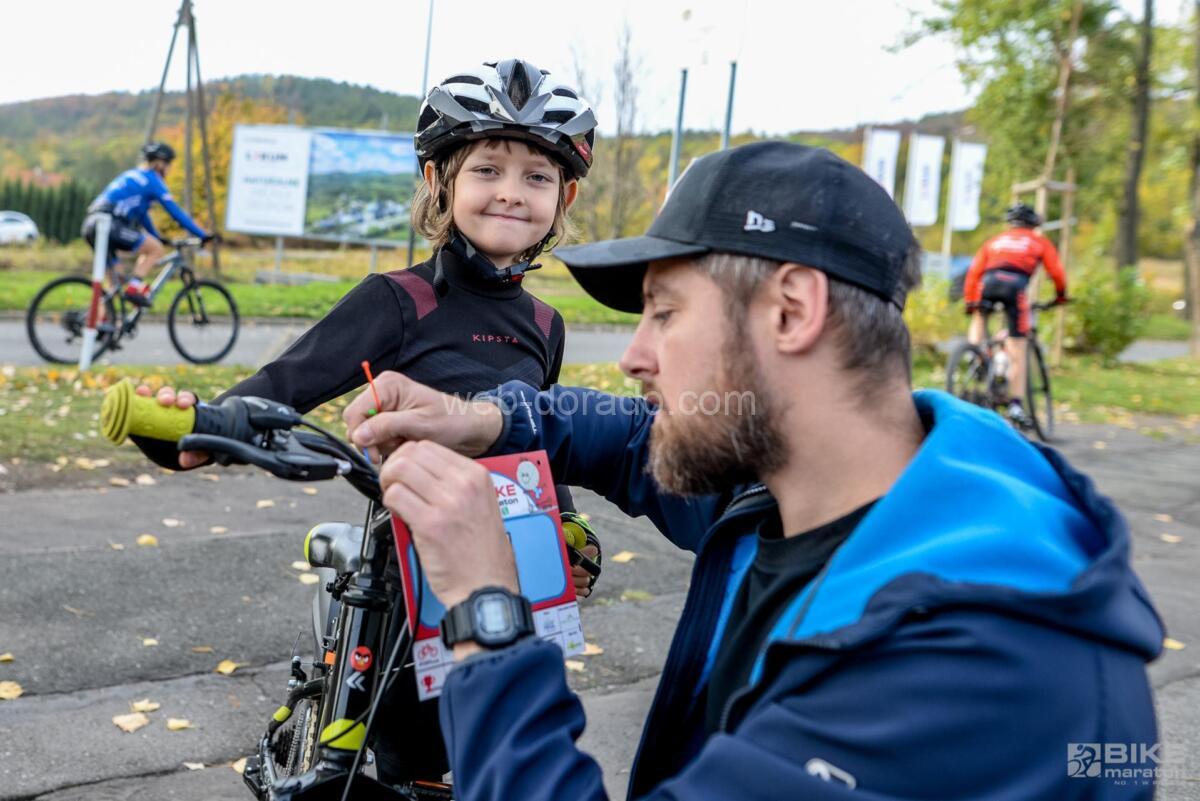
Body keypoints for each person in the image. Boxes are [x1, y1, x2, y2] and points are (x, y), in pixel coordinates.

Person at [345, 142, 1164, 800]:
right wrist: (484, 416)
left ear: (792, 311)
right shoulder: (813, 492)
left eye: (665, 312)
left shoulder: (961, 669)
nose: (634, 355)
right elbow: (633, 439)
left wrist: (488, 612)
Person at [140, 59, 601, 784]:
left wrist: (569, 522)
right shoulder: (398, 299)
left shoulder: (547, 323)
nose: (512, 192)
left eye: (536, 177)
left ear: (563, 195)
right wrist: (199, 429)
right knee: (393, 764)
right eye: (487, 170)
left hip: (512, 567)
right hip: (404, 576)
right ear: (438, 181)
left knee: (494, 756)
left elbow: (538, 436)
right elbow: (284, 385)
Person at [963, 202, 1068, 427]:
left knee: (980, 314)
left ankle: (974, 354)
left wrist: (971, 302)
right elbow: (1057, 272)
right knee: (1017, 347)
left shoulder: (994, 241)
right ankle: (1016, 406)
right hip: (1015, 286)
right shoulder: (1038, 241)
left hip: (988, 283)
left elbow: (973, 272)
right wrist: (1061, 295)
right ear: (1033, 224)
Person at [83, 142, 213, 306]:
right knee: (156, 249)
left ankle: (101, 320)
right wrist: (202, 234)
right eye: (169, 164)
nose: (169, 169)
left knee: (116, 284)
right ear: (160, 164)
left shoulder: (134, 175)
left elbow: (142, 215)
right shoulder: (153, 180)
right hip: (111, 224)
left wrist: (156, 235)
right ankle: (134, 288)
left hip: (92, 224)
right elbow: (176, 213)